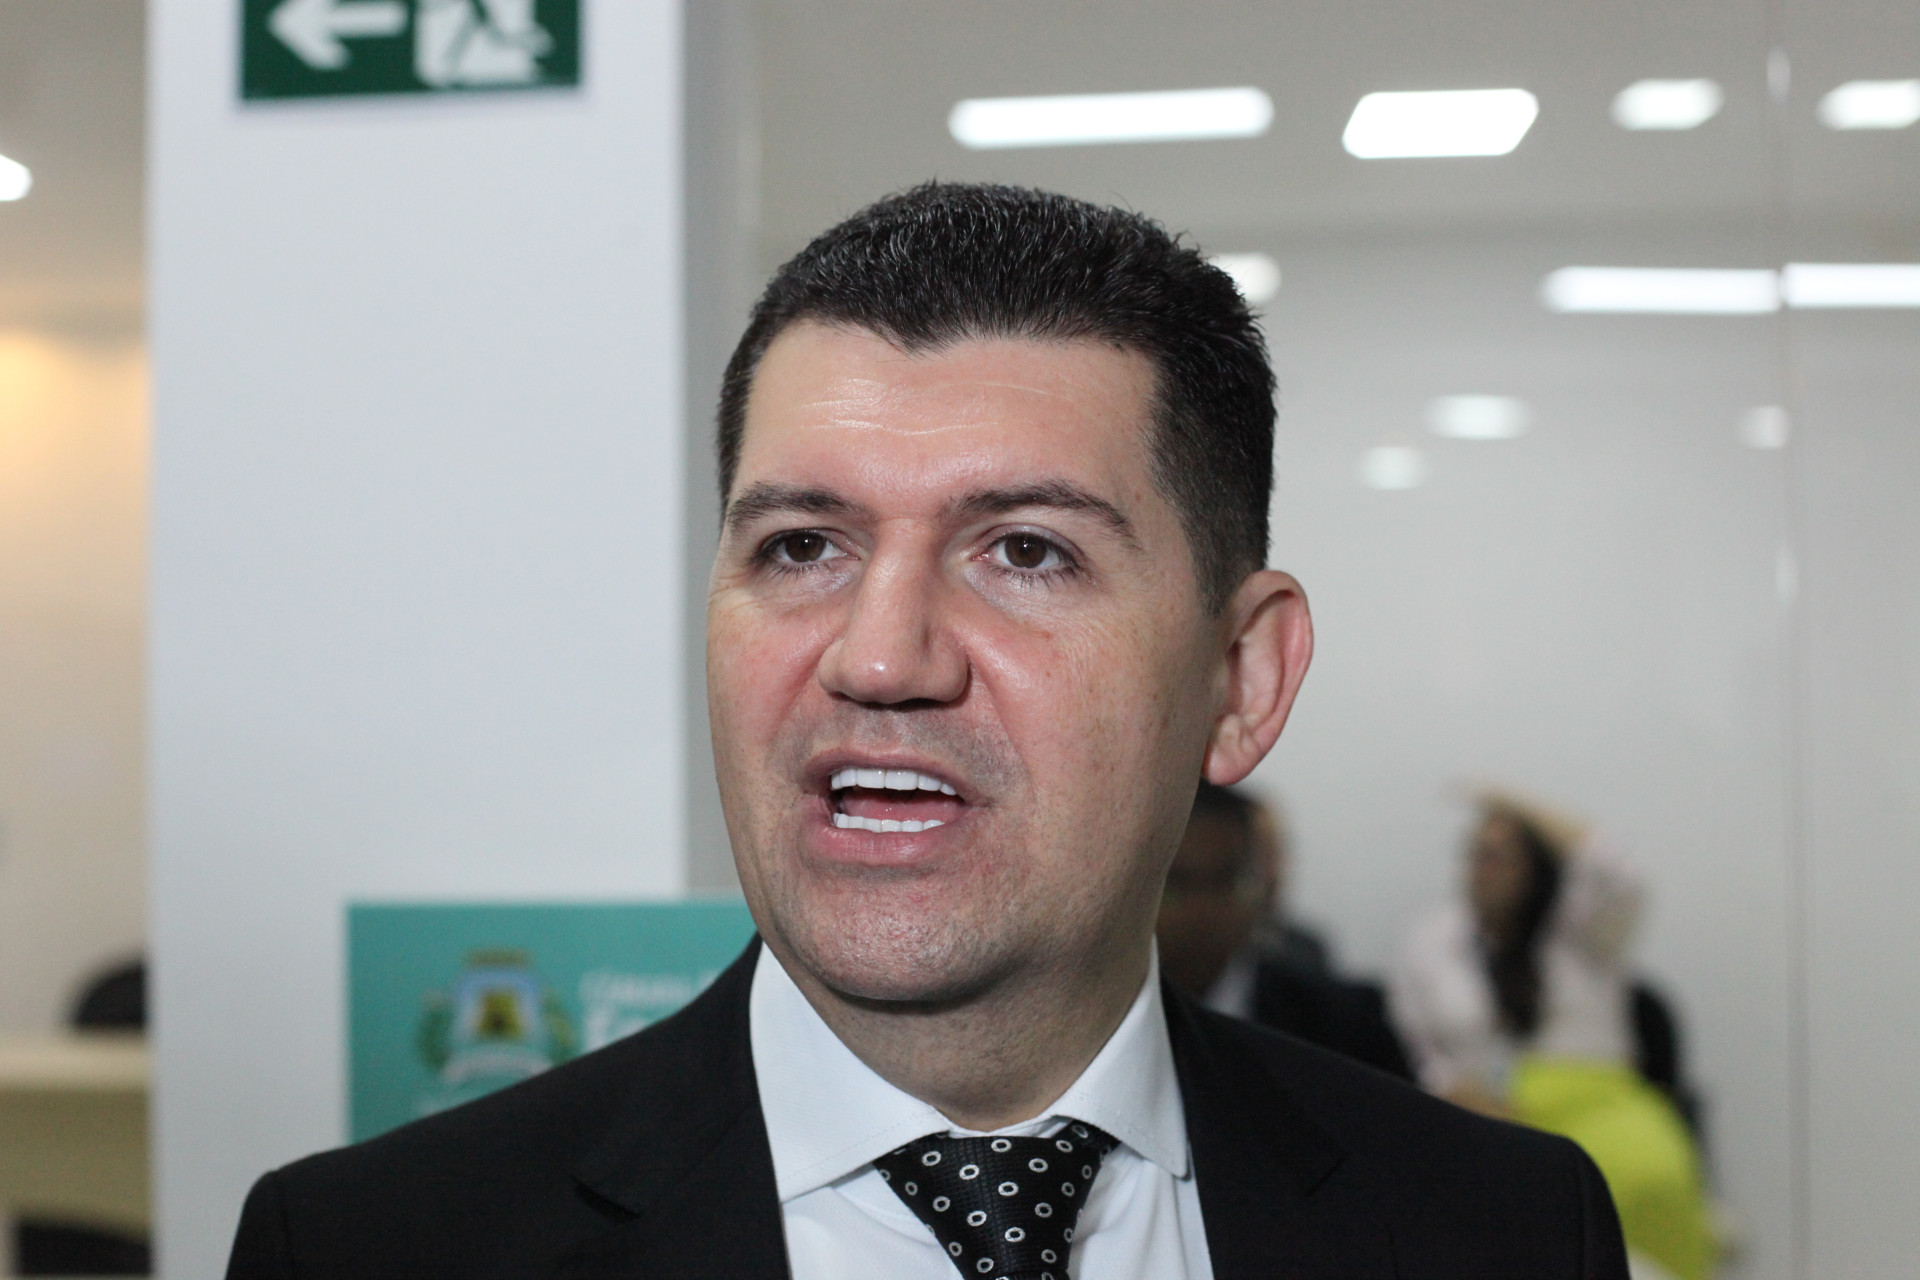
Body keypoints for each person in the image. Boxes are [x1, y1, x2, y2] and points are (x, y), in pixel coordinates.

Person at [226, 184, 1626, 1280]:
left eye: (1024, 551)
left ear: (1241, 677)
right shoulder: (368, 1250)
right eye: (802, 545)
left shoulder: (1503, 1231)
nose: (880, 656)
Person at [1389, 792, 1715, 1280]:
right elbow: (1421, 1050)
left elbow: (1623, 874)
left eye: (1502, 855)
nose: (1485, 868)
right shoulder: (1431, 942)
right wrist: (1456, 1094)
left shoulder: (1583, 928)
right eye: (1477, 853)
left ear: (1535, 865)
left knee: (1652, 1179)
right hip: (1490, 1118)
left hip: (1605, 1104)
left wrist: (1514, 802)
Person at [1156, 782, 1412, 1079]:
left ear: (1264, 885)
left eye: (1227, 881)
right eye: (1175, 885)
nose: (1202, 909)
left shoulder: (1344, 1023)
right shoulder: (1111, 1021)